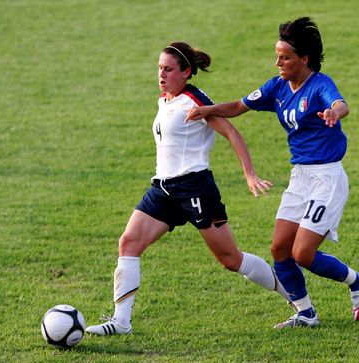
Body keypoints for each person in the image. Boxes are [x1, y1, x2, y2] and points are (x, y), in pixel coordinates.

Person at [85, 41, 291, 336]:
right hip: (164, 188)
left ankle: (296, 299)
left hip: (195, 188)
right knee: (129, 242)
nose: (162, 74)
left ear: (186, 72)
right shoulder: (166, 100)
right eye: (160, 68)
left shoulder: (195, 101)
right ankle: (121, 322)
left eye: (168, 69)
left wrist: (249, 174)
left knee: (231, 260)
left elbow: (232, 132)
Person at [186, 17, 359, 328]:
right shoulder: (277, 87)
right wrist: (209, 109)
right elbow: (240, 105)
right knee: (280, 249)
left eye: (284, 57)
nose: (278, 62)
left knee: (302, 253)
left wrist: (333, 112)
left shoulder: (319, 85)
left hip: (326, 178)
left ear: (304, 59)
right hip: (300, 177)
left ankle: (357, 280)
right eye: (277, 55)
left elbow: (341, 104)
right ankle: (305, 313)